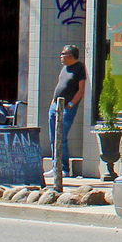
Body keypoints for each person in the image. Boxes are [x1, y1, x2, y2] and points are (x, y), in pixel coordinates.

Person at [47, 45, 86, 187]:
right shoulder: (64, 68)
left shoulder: (79, 68)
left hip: (67, 108)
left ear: (71, 55)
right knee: (53, 137)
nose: (61, 56)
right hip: (55, 106)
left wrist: (71, 104)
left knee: (61, 136)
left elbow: (81, 90)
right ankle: (55, 166)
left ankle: (64, 168)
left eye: (63, 54)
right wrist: (53, 102)